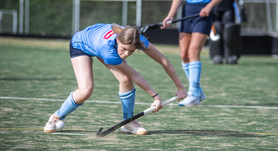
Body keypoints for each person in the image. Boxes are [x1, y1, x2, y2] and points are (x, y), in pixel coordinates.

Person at [44, 23, 188, 135]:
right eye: (123, 49)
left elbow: (163, 61)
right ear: (118, 40)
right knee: (86, 91)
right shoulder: (108, 52)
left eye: (131, 51)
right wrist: (156, 97)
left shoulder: (139, 40)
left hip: (98, 41)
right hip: (81, 44)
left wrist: (180, 87)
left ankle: (128, 122)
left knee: (125, 80)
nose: (126, 54)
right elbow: (135, 75)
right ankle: (56, 117)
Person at [162, 0, 226, 107]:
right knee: (183, 54)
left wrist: (209, 6)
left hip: (203, 13)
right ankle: (197, 91)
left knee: (193, 52)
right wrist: (170, 15)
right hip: (188, 11)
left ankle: (193, 94)